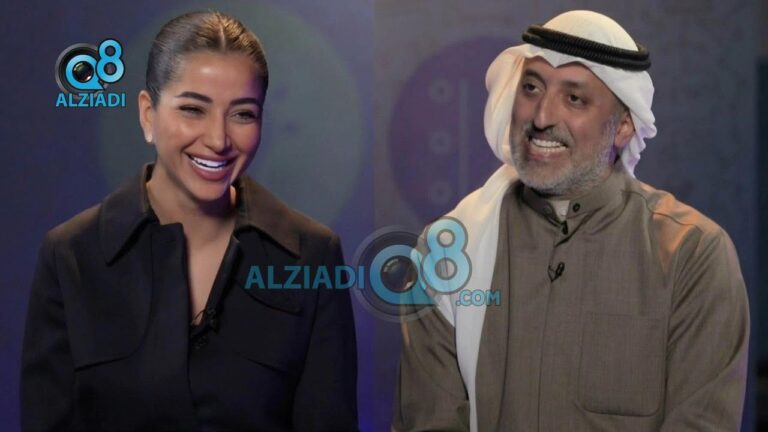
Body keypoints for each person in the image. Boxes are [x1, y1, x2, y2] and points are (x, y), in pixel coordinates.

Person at [393, 10, 749, 432]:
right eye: (531, 88)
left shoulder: (692, 254)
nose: (542, 117)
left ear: (623, 127)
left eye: (574, 98)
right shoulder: (449, 251)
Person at [21, 11, 357, 431]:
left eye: (243, 114)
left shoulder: (312, 255)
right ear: (148, 114)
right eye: (193, 109)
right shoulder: (71, 255)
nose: (218, 139)